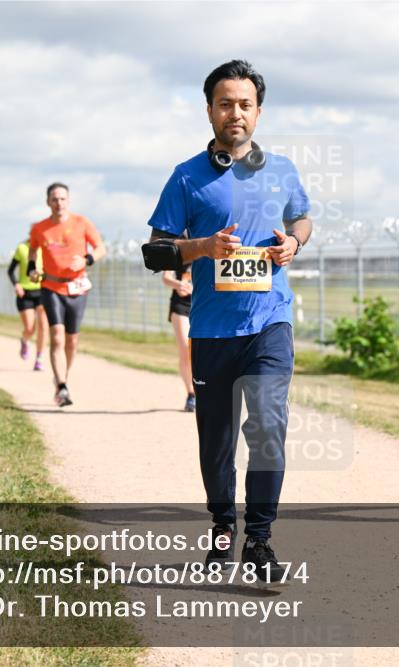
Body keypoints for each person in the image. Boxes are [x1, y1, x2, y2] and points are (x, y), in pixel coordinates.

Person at [145, 60, 311, 581]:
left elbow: (302, 217)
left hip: (270, 322)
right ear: (210, 110)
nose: (234, 112)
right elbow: (154, 252)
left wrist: (293, 242)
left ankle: (259, 540)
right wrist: (202, 248)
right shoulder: (187, 176)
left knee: (267, 426)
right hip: (213, 330)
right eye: (224, 103)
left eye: (244, 104)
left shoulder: (282, 169)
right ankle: (222, 528)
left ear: (258, 111)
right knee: (216, 440)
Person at [28, 183, 107, 407]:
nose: (59, 203)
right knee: (57, 336)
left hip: (77, 287)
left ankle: (62, 377)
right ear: (48, 202)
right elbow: (33, 250)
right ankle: (62, 386)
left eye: (62, 199)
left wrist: (86, 260)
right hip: (51, 287)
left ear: (68, 201)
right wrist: (32, 269)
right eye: (54, 199)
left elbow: (101, 248)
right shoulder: (39, 228)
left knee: (72, 341)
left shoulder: (82, 223)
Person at [8, 238, 48, 371]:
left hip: (42, 291)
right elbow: (10, 270)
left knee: (43, 326)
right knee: (30, 328)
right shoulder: (22, 248)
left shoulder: (46, 248)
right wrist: (16, 284)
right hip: (25, 293)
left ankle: (39, 358)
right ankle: (24, 341)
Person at [162, 262, 194, 411]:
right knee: (186, 349)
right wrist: (178, 284)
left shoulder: (212, 240)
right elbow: (166, 277)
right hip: (181, 304)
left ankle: (206, 390)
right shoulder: (178, 241)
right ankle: (191, 394)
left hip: (204, 303)